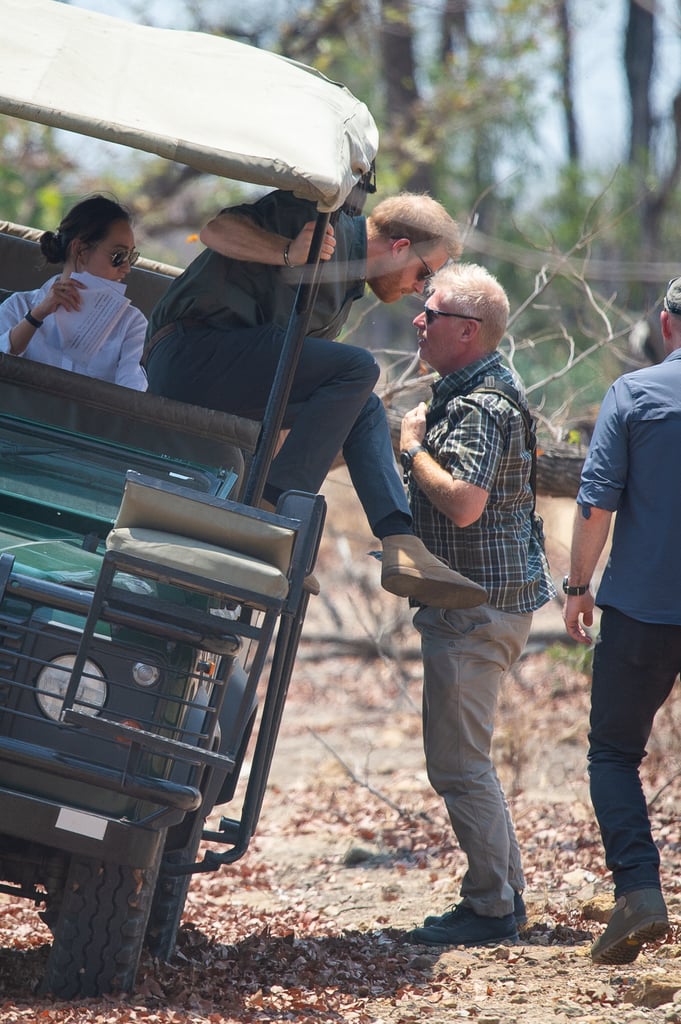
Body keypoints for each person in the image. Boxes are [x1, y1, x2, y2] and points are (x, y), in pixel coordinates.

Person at [142, 189, 483, 607]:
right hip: (188, 353)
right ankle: (271, 519)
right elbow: (216, 231)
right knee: (359, 368)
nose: (419, 291)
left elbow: (285, 378)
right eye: (424, 276)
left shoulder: (348, 289)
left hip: (231, 371)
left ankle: (399, 539)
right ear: (399, 249)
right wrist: (287, 250)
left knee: (365, 404)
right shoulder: (320, 221)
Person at [399, 262, 555, 947]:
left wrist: (410, 449)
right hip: (485, 606)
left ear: (465, 332)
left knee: (459, 767)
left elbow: (463, 503)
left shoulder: (476, 408)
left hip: (474, 612)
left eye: (428, 314)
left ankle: (492, 907)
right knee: (466, 762)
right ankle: (500, 894)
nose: (417, 322)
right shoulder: (484, 392)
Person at [561, 279, 681, 965]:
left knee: (612, 755)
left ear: (666, 325)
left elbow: (595, 502)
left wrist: (577, 586)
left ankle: (638, 895)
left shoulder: (633, 397)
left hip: (640, 612)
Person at [0, 195, 147, 390]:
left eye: (131, 257)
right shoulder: (19, 306)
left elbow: (133, 389)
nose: (127, 268)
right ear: (80, 250)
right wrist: (37, 316)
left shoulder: (131, 323)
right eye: (118, 256)